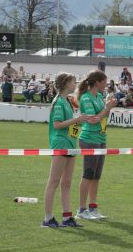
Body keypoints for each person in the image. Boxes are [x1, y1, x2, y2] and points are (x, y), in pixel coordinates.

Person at [42, 72, 93, 228]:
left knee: (67, 183)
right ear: (65, 84)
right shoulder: (58, 102)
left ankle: (67, 217)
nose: (75, 84)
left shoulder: (67, 101)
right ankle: (48, 218)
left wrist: (80, 122)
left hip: (70, 144)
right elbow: (57, 124)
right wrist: (77, 119)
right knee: (54, 182)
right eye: (73, 82)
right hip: (60, 144)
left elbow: (69, 124)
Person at [76, 70, 117, 220]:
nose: (106, 84)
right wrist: (106, 108)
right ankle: (81, 210)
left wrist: (109, 106)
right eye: (104, 81)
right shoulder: (86, 98)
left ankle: (93, 208)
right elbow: (92, 119)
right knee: (88, 174)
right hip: (89, 139)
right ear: (98, 82)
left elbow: (103, 116)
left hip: (101, 138)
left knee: (96, 176)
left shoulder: (99, 96)